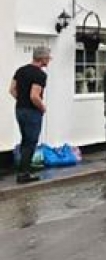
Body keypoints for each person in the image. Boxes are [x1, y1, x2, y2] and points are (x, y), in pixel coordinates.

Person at [8, 46, 51, 184]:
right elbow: (34, 96)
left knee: (25, 140)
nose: (49, 60)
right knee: (30, 142)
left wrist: (21, 100)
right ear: (43, 58)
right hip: (31, 111)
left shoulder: (20, 70)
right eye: (48, 57)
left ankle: (24, 169)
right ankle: (23, 174)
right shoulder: (40, 75)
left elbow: (12, 90)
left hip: (19, 109)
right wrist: (42, 107)